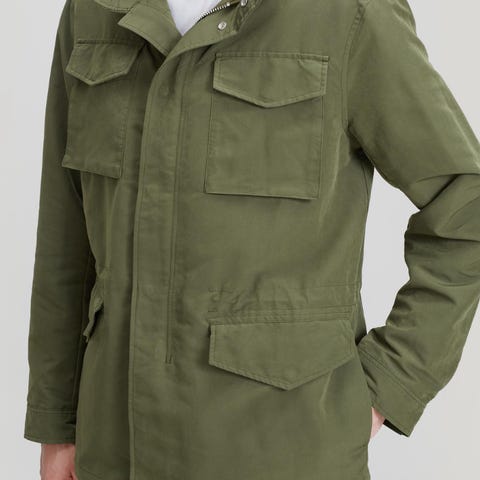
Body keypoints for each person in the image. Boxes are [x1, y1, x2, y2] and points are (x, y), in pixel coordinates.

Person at [24, 0, 480, 479]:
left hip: (286, 452)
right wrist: (57, 422)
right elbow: (65, 233)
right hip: (111, 451)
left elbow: (464, 206)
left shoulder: (346, 13)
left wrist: (390, 383)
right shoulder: (92, 9)